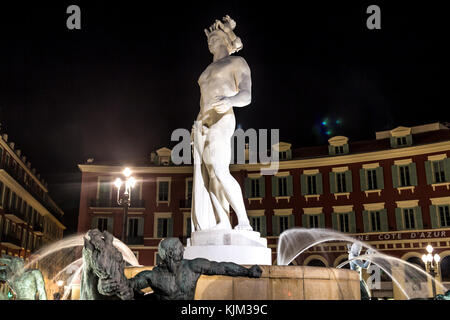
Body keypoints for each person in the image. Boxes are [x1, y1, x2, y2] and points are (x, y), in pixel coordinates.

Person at [191, 15, 253, 231]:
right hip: (202, 122)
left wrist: (229, 100)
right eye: (209, 39)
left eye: (216, 37)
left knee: (219, 169)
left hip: (222, 117)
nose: (211, 41)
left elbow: (246, 96)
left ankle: (243, 222)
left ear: (227, 40)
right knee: (208, 177)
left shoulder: (237, 62)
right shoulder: (206, 70)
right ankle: (222, 221)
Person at [101, 237, 262, 300]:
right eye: (179, 247)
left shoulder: (193, 266)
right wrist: (104, 286)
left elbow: (222, 267)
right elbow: (128, 286)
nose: (183, 249)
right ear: (171, 253)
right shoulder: (152, 275)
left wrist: (247, 271)